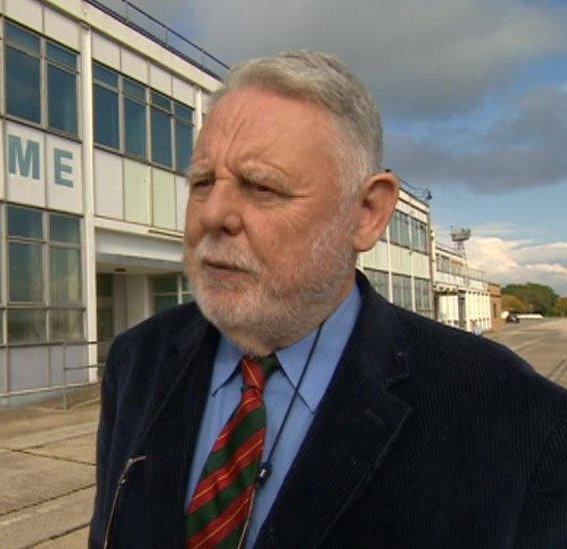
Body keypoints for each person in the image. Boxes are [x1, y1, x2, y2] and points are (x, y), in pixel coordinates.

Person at [89, 51, 567, 548]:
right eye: (203, 182)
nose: (214, 215)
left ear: (366, 213)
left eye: (261, 186)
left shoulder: (521, 422)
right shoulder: (137, 362)